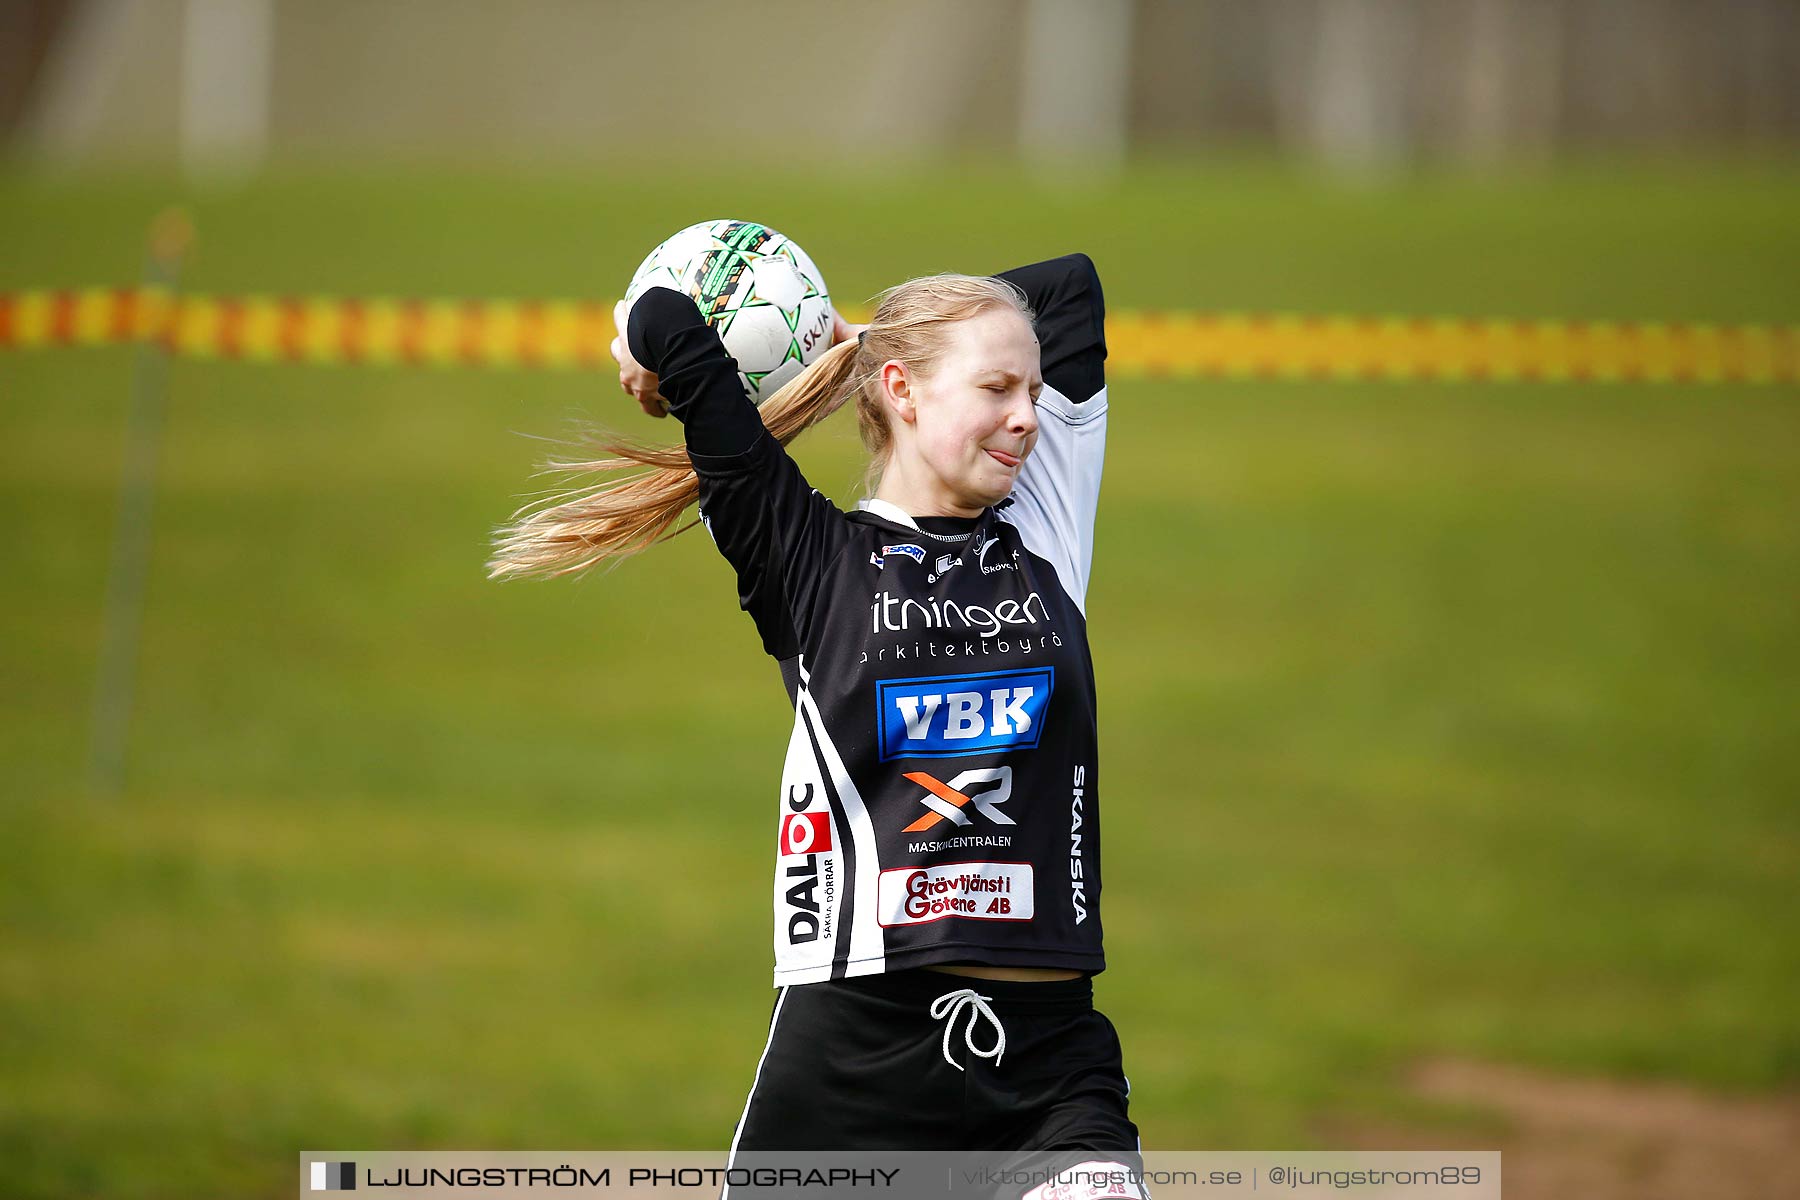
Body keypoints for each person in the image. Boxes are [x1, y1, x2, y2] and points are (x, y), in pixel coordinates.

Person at [491, 250, 1139, 1186]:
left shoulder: (1045, 524)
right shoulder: (802, 557)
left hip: (1050, 1073)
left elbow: (1074, 283)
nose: (1028, 418)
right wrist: (646, 346)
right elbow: (670, 317)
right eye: (997, 387)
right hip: (849, 1066)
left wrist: (884, 332)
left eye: (1034, 390)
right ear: (902, 393)